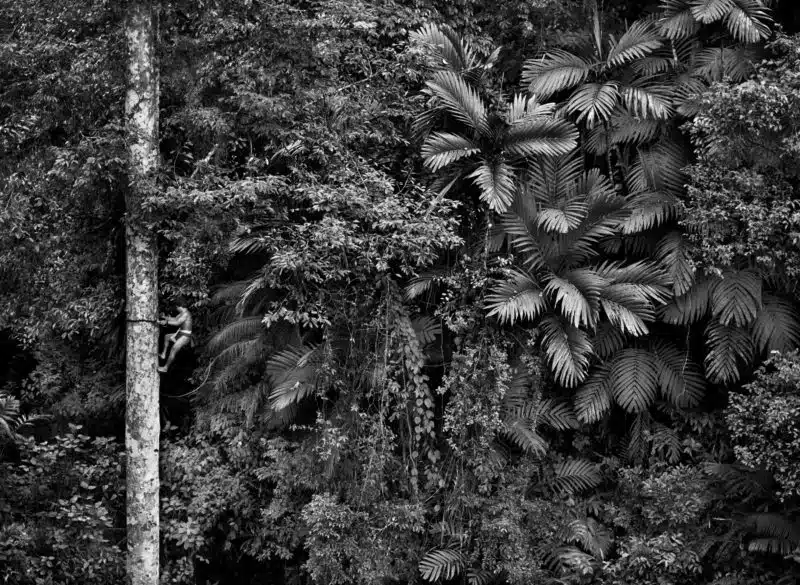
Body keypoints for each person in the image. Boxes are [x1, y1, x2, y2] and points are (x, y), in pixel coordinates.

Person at [158, 306, 193, 373]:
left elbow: (177, 323)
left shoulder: (186, 314)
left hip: (185, 336)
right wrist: (165, 317)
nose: (176, 309)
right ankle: (163, 354)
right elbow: (175, 319)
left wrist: (166, 322)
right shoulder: (181, 313)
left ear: (179, 306)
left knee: (173, 349)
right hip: (180, 333)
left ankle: (165, 368)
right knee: (167, 337)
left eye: (176, 307)